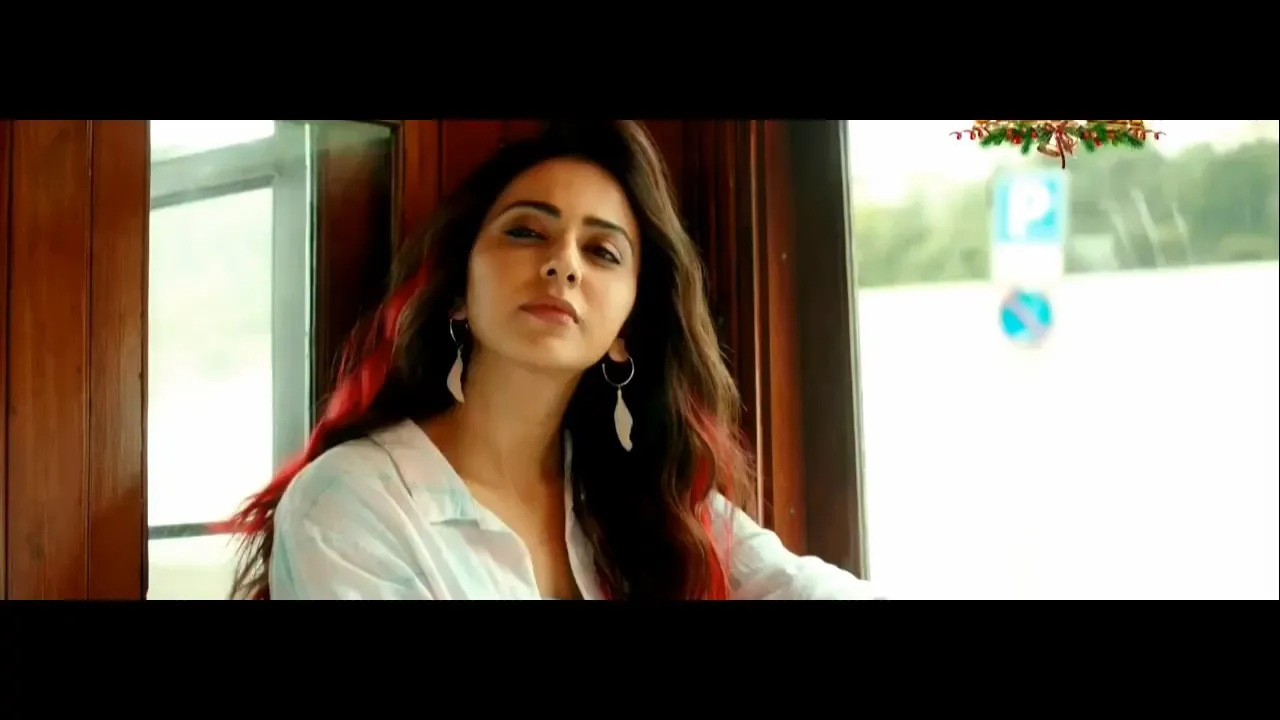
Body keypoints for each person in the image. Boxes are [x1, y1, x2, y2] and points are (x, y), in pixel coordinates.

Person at [229, 121, 878, 600]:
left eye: (602, 252)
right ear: (458, 293)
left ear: (627, 329)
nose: (563, 262)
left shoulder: (651, 503)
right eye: (525, 231)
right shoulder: (352, 501)